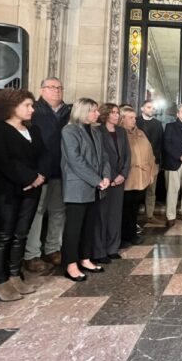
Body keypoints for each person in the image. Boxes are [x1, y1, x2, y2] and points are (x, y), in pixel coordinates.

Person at [0, 89, 45, 301]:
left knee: (21, 234)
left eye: (32, 105)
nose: (32, 109)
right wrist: (29, 178)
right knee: (3, 235)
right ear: (10, 106)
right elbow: (2, 159)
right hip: (5, 189)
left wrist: (40, 176)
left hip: (33, 187)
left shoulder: (33, 129)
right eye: (27, 105)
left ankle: (15, 275)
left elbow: (43, 155)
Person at [60, 98, 110, 282]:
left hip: (96, 186)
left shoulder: (96, 131)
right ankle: (71, 265)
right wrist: (97, 180)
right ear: (82, 111)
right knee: (74, 228)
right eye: (93, 110)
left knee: (89, 225)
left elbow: (104, 156)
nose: (97, 114)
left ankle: (85, 258)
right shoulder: (70, 131)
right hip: (78, 186)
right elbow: (75, 160)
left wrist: (106, 176)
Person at [25, 78, 71, 274]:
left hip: (61, 170)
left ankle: (53, 248)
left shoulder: (68, 112)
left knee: (58, 211)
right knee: (37, 212)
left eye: (59, 88)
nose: (56, 91)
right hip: (40, 171)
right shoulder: (33, 111)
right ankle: (32, 253)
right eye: (51, 87)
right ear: (42, 90)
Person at [93, 103, 131, 263]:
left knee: (115, 215)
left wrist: (123, 174)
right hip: (105, 179)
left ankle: (112, 248)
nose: (117, 115)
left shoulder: (121, 131)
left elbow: (127, 155)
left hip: (119, 180)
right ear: (105, 114)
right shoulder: (97, 131)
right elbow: (100, 157)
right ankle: (99, 251)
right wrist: (111, 176)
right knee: (101, 216)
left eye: (117, 112)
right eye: (113, 112)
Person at [121, 106, 156, 246]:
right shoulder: (120, 134)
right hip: (127, 179)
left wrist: (151, 173)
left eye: (134, 118)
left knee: (134, 209)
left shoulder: (140, 133)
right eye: (130, 118)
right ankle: (123, 237)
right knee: (125, 210)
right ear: (122, 119)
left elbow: (150, 154)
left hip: (141, 178)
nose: (134, 120)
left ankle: (132, 234)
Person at [137, 100, 163, 224]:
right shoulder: (136, 121)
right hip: (138, 162)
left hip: (153, 161)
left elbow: (160, 142)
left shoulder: (158, 124)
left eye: (153, 108)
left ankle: (149, 215)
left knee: (151, 190)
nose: (151, 109)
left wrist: (157, 159)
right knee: (137, 190)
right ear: (142, 108)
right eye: (148, 107)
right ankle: (135, 215)